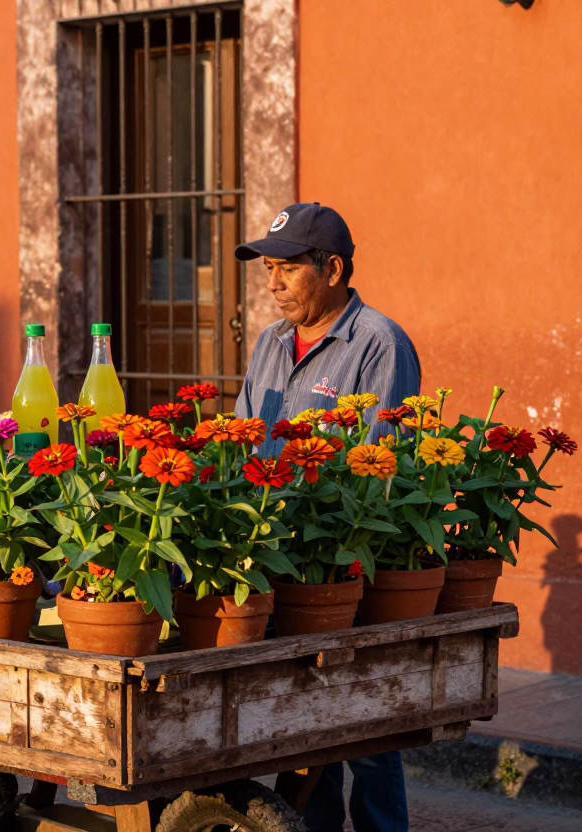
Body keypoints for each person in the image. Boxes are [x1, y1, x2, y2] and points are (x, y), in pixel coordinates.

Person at [234, 202, 420, 832]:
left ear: (333, 269)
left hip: (345, 562)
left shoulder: (379, 344)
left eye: (287, 268)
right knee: (308, 729)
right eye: (269, 269)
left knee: (366, 729)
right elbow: (242, 440)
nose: (273, 282)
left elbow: (382, 465)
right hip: (279, 560)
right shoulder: (269, 342)